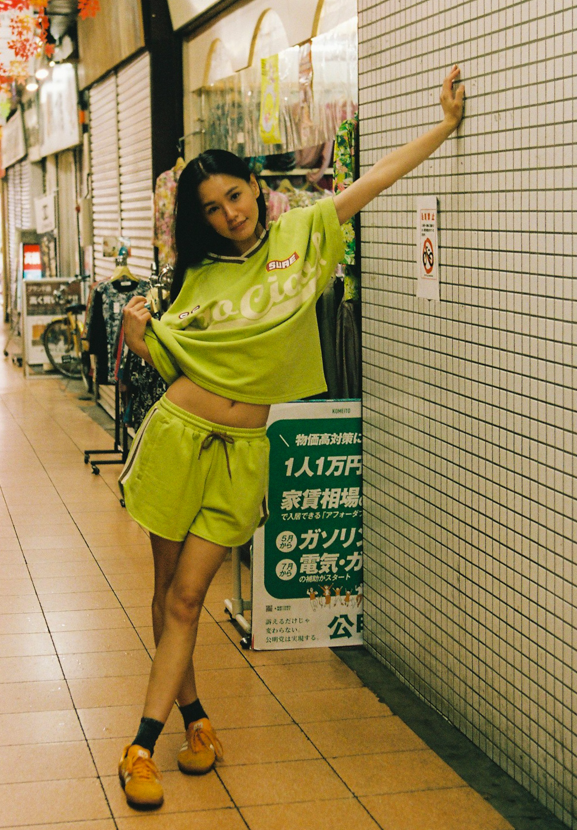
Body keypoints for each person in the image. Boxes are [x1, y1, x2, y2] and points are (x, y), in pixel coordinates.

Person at [117, 66, 465, 809]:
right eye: (210, 209)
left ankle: (196, 720)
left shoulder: (305, 233)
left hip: (246, 451)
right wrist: (134, 335)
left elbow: (374, 181)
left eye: (235, 196)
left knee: (190, 594)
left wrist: (441, 127)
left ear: (256, 188)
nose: (229, 215)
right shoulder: (198, 279)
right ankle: (150, 742)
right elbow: (169, 357)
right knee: (171, 599)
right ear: (199, 218)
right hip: (179, 435)